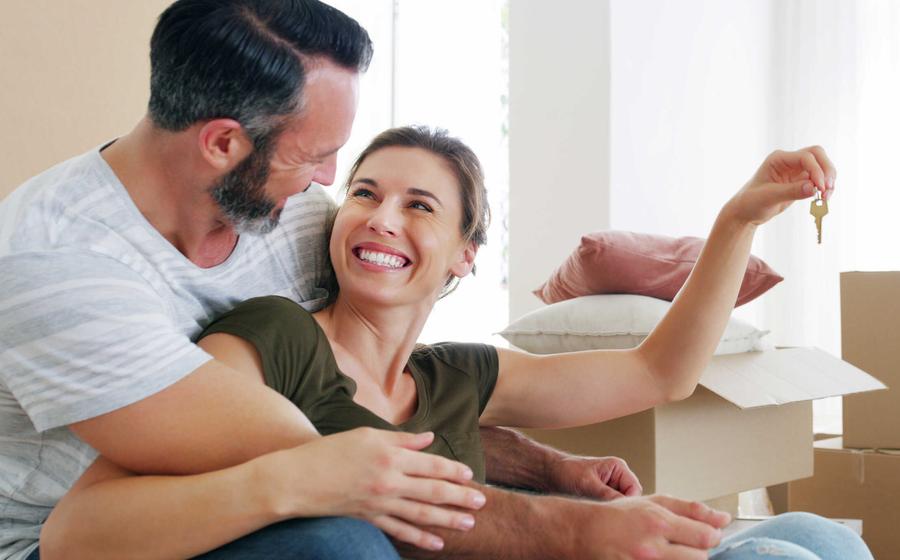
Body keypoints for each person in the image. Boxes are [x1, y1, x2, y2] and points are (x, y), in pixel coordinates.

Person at [38, 126, 872, 560]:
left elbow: (661, 372)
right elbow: (86, 528)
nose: (382, 218)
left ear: (466, 255)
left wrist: (739, 218)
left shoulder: (457, 377)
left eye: (420, 206)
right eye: (364, 193)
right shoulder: (274, 340)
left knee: (824, 539)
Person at [0, 2, 644, 559]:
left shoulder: (291, 212)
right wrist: (580, 531)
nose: (329, 181)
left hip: (260, 484)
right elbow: (340, 457)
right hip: (67, 540)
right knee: (345, 541)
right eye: (314, 156)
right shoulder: (55, 262)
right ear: (223, 144)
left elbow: (363, 399)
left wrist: (548, 468)